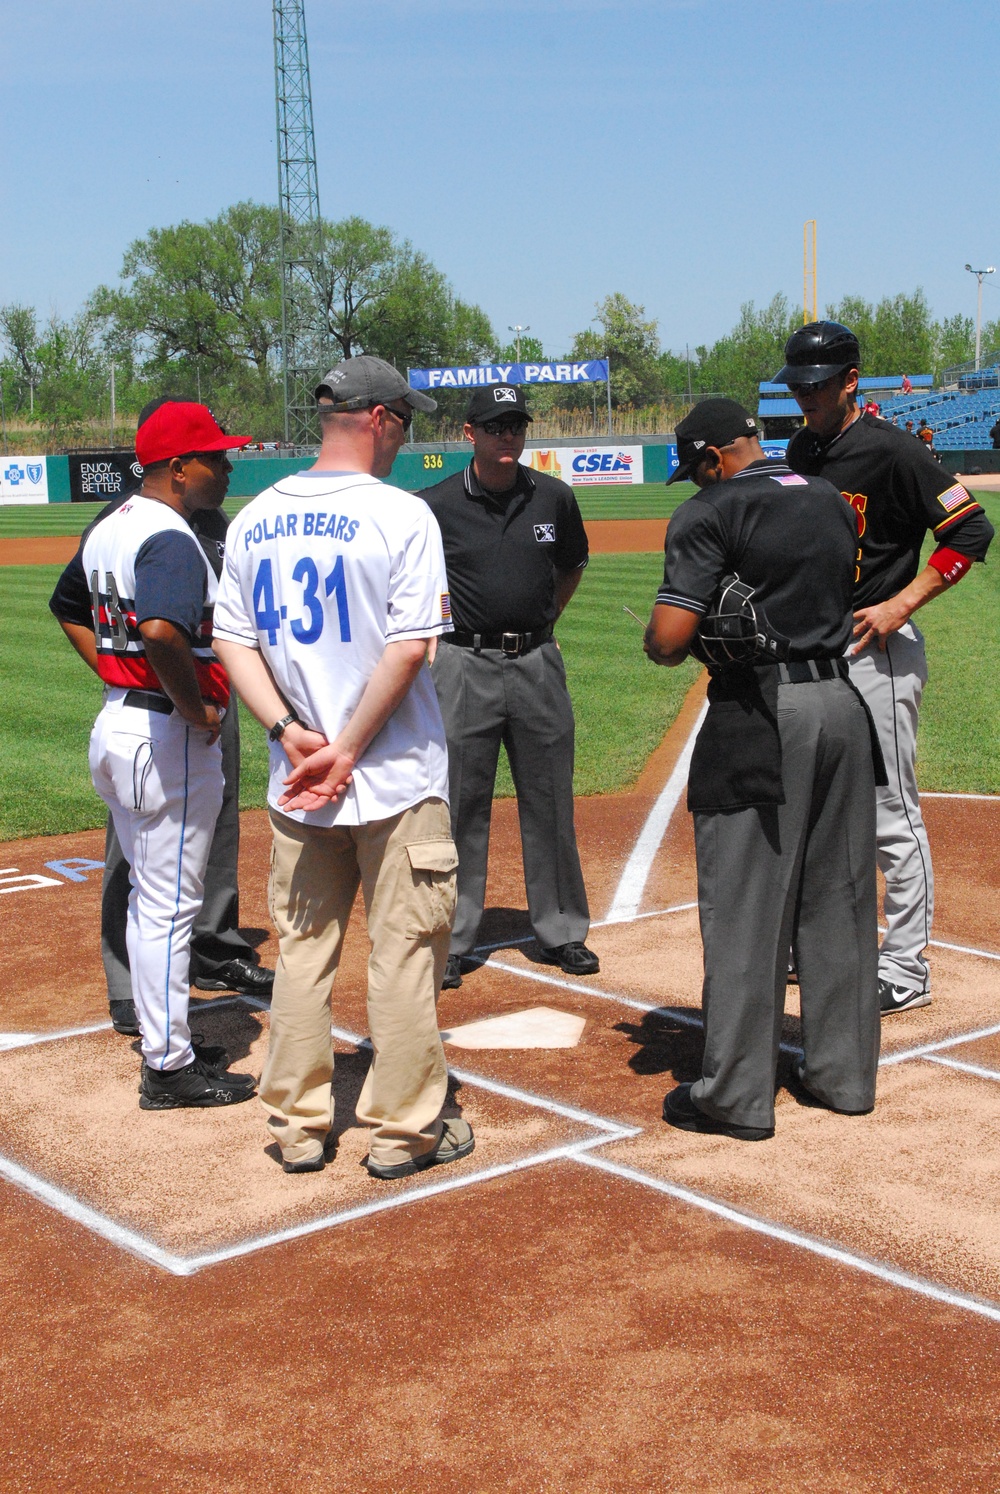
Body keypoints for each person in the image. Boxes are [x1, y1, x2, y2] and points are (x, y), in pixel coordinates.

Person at [212, 355, 473, 1179]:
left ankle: (297, 1124)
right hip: (391, 776)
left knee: (303, 951)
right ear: (381, 419)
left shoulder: (256, 515)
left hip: (297, 781)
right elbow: (409, 649)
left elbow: (232, 640)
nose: (407, 433)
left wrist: (292, 732)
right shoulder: (401, 514)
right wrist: (349, 747)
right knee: (403, 953)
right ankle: (403, 1133)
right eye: (406, 419)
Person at [646, 400, 881, 1141]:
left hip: (762, 711)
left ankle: (734, 1098)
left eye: (696, 467)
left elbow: (670, 638)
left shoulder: (708, 511)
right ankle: (842, 1078)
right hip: (843, 705)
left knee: (746, 908)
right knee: (838, 900)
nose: (695, 480)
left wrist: (661, 639)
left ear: (713, 456)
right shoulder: (828, 498)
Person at [781, 322, 994, 1014]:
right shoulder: (802, 448)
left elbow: (971, 529)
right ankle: (811, 940)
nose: (804, 397)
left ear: (850, 381)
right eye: (796, 386)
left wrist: (903, 603)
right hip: (813, 649)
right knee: (807, 805)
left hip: (878, 652)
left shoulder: (897, 452)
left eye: (815, 386)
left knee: (889, 812)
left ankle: (907, 964)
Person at [50, 401, 274, 1040]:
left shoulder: (115, 522)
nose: (227, 467)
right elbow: (159, 630)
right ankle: (168, 1059)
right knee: (168, 909)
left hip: (121, 724)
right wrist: (192, 703)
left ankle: (160, 1042)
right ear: (178, 468)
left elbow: (67, 603)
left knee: (157, 903)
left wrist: (119, 672)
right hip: (163, 736)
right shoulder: (171, 535)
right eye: (216, 457)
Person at [421, 385, 599, 989]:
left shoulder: (553, 497)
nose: (508, 437)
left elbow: (571, 565)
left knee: (549, 798)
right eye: (495, 426)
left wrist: (543, 622)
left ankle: (560, 928)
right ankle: (452, 936)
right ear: (468, 432)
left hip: (536, 662)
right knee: (458, 803)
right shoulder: (435, 504)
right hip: (462, 663)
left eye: (516, 426)